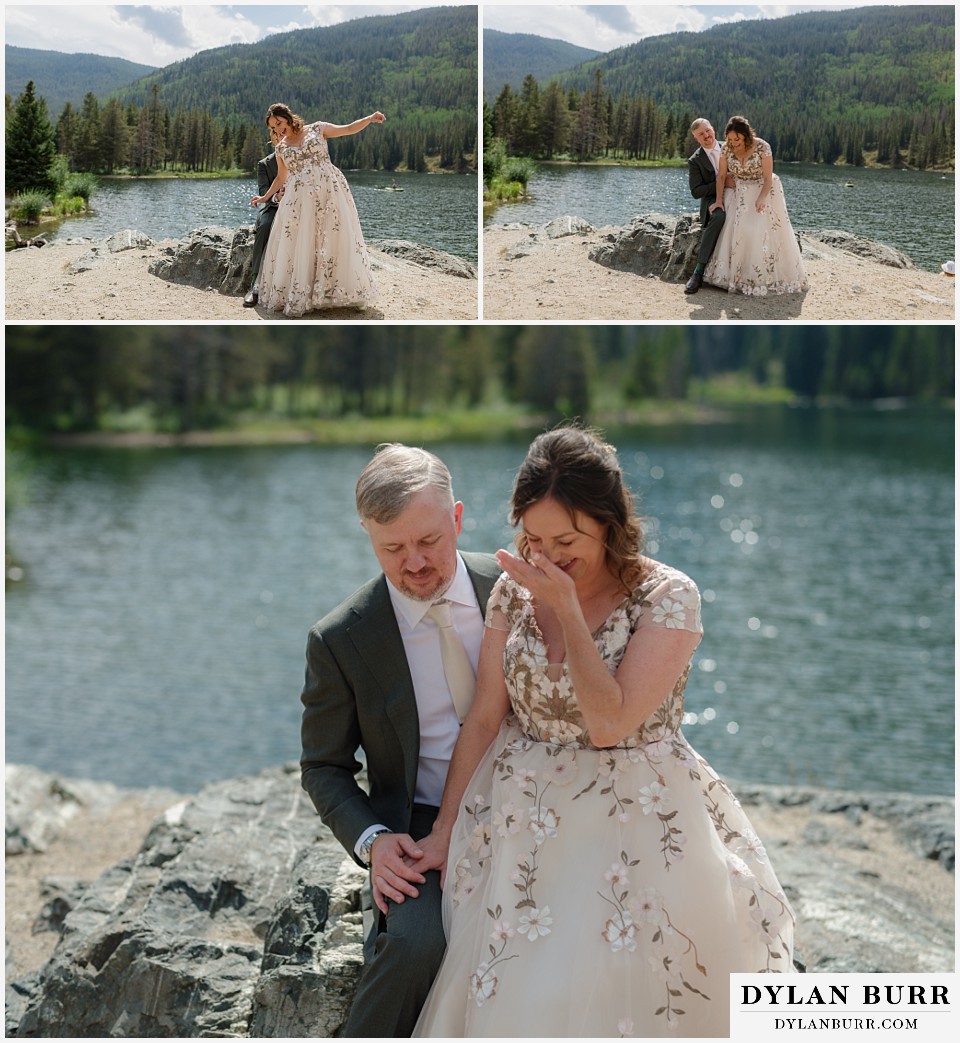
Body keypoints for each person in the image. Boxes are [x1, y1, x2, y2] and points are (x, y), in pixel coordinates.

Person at [412, 426, 796, 1037]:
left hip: (634, 820)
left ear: (609, 523)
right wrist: (442, 830)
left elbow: (611, 723)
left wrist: (566, 608)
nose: (547, 556)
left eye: (566, 541)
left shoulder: (667, 597)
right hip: (522, 820)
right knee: (522, 996)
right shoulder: (513, 590)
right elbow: (485, 715)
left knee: (628, 996)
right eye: (533, 539)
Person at [299, 443, 501, 1037]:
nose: (414, 563)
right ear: (367, 535)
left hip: (534, 804)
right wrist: (374, 842)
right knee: (415, 947)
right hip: (416, 828)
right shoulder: (339, 638)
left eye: (429, 541)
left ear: (457, 518)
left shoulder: (513, 588)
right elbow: (323, 766)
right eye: (392, 549)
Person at [250, 102, 386, 317]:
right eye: (273, 127)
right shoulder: (281, 147)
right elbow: (281, 178)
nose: (277, 129)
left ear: (288, 117)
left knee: (332, 237)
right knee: (302, 243)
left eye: (279, 123)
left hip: (329, 192)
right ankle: (305, 293)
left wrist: (369, 119)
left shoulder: (317, 129)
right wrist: (265, 197)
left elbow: (348, 129)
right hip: (299, 199)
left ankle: (331, 292)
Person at [704, 115, 808, 296]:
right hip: (738, 191)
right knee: (734, 230)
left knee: (757, 230)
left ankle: (758, 278)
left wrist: (761, 198)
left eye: (737, 139)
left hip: (762, 190)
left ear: (746, 136)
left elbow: (768, 178)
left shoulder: (763, 147)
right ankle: (735, 277)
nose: (733, 143)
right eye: (730, 139)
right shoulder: (726, 148)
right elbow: (721, 176)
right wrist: (719, 201)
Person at [684, 118, 734, 295]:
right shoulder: (695, 160)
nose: (706, 136)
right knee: (719, 217)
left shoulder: (730, 147)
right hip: (712, 199)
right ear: (696, 139)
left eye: (707, 131)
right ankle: (698, 271)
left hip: (737, 194)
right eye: (701, 134)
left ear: (713, 129)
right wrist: (721, 182)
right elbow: (696, 191)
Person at [243, 126, 284, 308]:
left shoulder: (299, 158)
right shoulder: (264, 164)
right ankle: (254, 285)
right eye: (277, 136)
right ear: (273, 140)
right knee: (266, 225)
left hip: (298, 206)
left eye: (284, 134)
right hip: (272, 208)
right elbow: (263, 192)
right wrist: (276, 197)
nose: (281, 138)